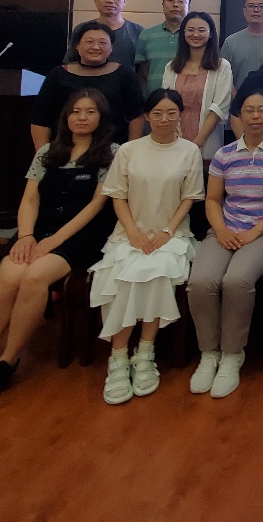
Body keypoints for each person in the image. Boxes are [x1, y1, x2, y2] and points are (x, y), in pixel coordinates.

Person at [0, 90, 116, 407]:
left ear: (101, 117)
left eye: (90, 111)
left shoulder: (111, 153)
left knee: (34, 277)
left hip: (81, 235)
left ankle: (8, 361)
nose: (82, 117)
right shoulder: (47, 151)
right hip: (38, 230)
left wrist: (55, 240)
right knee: (9, 276)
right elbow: (30, 199)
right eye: (76, 111)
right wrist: (26, 236)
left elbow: (96, 205)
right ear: (66, 117)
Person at [89, 89, 204, 405]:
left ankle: (145, 353)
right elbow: (117, 195)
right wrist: (133, 232)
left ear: (180, 115)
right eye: (157, 113)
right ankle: (118, 358)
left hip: (173, 236)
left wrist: (168, 231)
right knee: (120, 276)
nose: (164, 119)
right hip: (130, 233)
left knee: (157, 271)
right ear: (146, 116)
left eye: (171, 113)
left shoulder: (189, 151)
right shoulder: (128, 150)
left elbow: (189, 197)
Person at [187, 87, 263, 398]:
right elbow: (212, 199)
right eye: (249, 110)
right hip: (225, 229)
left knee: (236, 281)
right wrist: (221, 230)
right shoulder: (224, 154)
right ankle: (209, 354)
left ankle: (232, 355)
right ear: (239, 115)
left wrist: (255, 232)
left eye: (261, 110)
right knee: (201, 281)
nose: (255, 116)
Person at [31, 21, 144, 147]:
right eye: (89, 41)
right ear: (77, 46)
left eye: (102, 43)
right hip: (65, 149)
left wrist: (130, 151)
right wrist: (42, 153)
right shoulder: (58, 74)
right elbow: (41, 117)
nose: (96, 47)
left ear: (111, 47)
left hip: (113, 149)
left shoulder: (125, 74)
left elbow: (137, 115)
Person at [160, 11, 233, 161]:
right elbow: (166, 104)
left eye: (201, 30)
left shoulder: (222, 67)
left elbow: (219, 108)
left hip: (208, 141)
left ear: (210, 34)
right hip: (175, 139)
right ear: (183, 33)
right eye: (190, 30)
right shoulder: (171, 67)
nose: (195, 34)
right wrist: (177, 139)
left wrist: (196, 144)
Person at [64, 0, 145, 71]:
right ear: (95, 0)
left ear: (124, 1)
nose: (110, 0)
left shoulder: (139, 31)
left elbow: (144, 68)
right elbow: (70, 63)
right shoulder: (82, 29)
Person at [135, 0, 191, 94]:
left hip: (186, 97)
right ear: (163, 5)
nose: (175, 5)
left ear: (188, 6)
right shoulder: (146, 35)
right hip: (154, 97)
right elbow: (143, 71)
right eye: (170, 0)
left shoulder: (194, 37)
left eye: (181, 1)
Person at [222, 0, 263, 91]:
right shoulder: (231, 41)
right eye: (251, 6)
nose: (256, 10)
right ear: (244, 11)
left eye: (261, 6)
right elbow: (223, 76)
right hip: (238, 99)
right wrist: (238, 98)